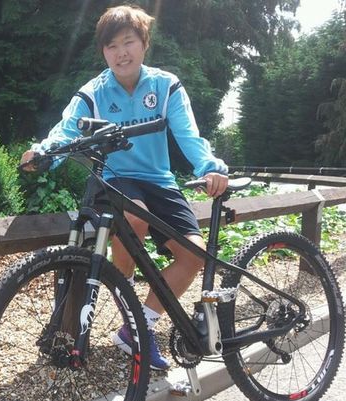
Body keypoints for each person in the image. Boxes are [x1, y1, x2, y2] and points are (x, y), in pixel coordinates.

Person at [21, 5, 228, 370]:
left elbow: (188, 136)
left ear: (144, 43)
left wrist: (210, 168)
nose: (121, 53)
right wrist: (43, 153)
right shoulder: (94, 92)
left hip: (160, 181)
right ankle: (128, 297)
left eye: (128, 42)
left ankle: (138, 327)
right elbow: (66, 130)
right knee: (135, 217)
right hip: (114, 178)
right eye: (111, 46)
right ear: (103, 52)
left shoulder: (166, 86)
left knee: (195, 255)